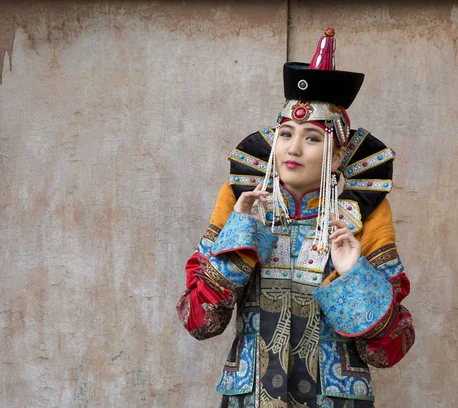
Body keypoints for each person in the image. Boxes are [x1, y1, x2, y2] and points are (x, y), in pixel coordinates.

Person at [177, 28, 415, 408]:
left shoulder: (361, 213)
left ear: (337, 157)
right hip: (251, 397)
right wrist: (239, 234)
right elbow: (200, 320)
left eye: (312, 138)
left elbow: (390, 347)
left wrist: (354, 273)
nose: (293, 147)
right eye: (286, 133)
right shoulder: (241, 202)